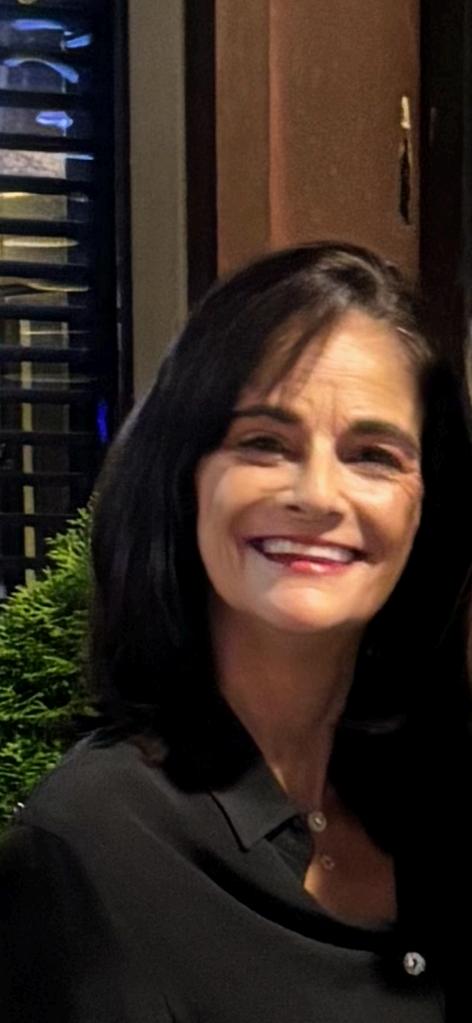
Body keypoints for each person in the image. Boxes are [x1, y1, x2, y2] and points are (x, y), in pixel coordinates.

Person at [1, 242, 472, 1022]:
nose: (318, 494)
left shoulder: (442, 794)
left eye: (373, 455)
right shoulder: (93, 848)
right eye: (264, 443)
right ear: (183, 479)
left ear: (428, 507)